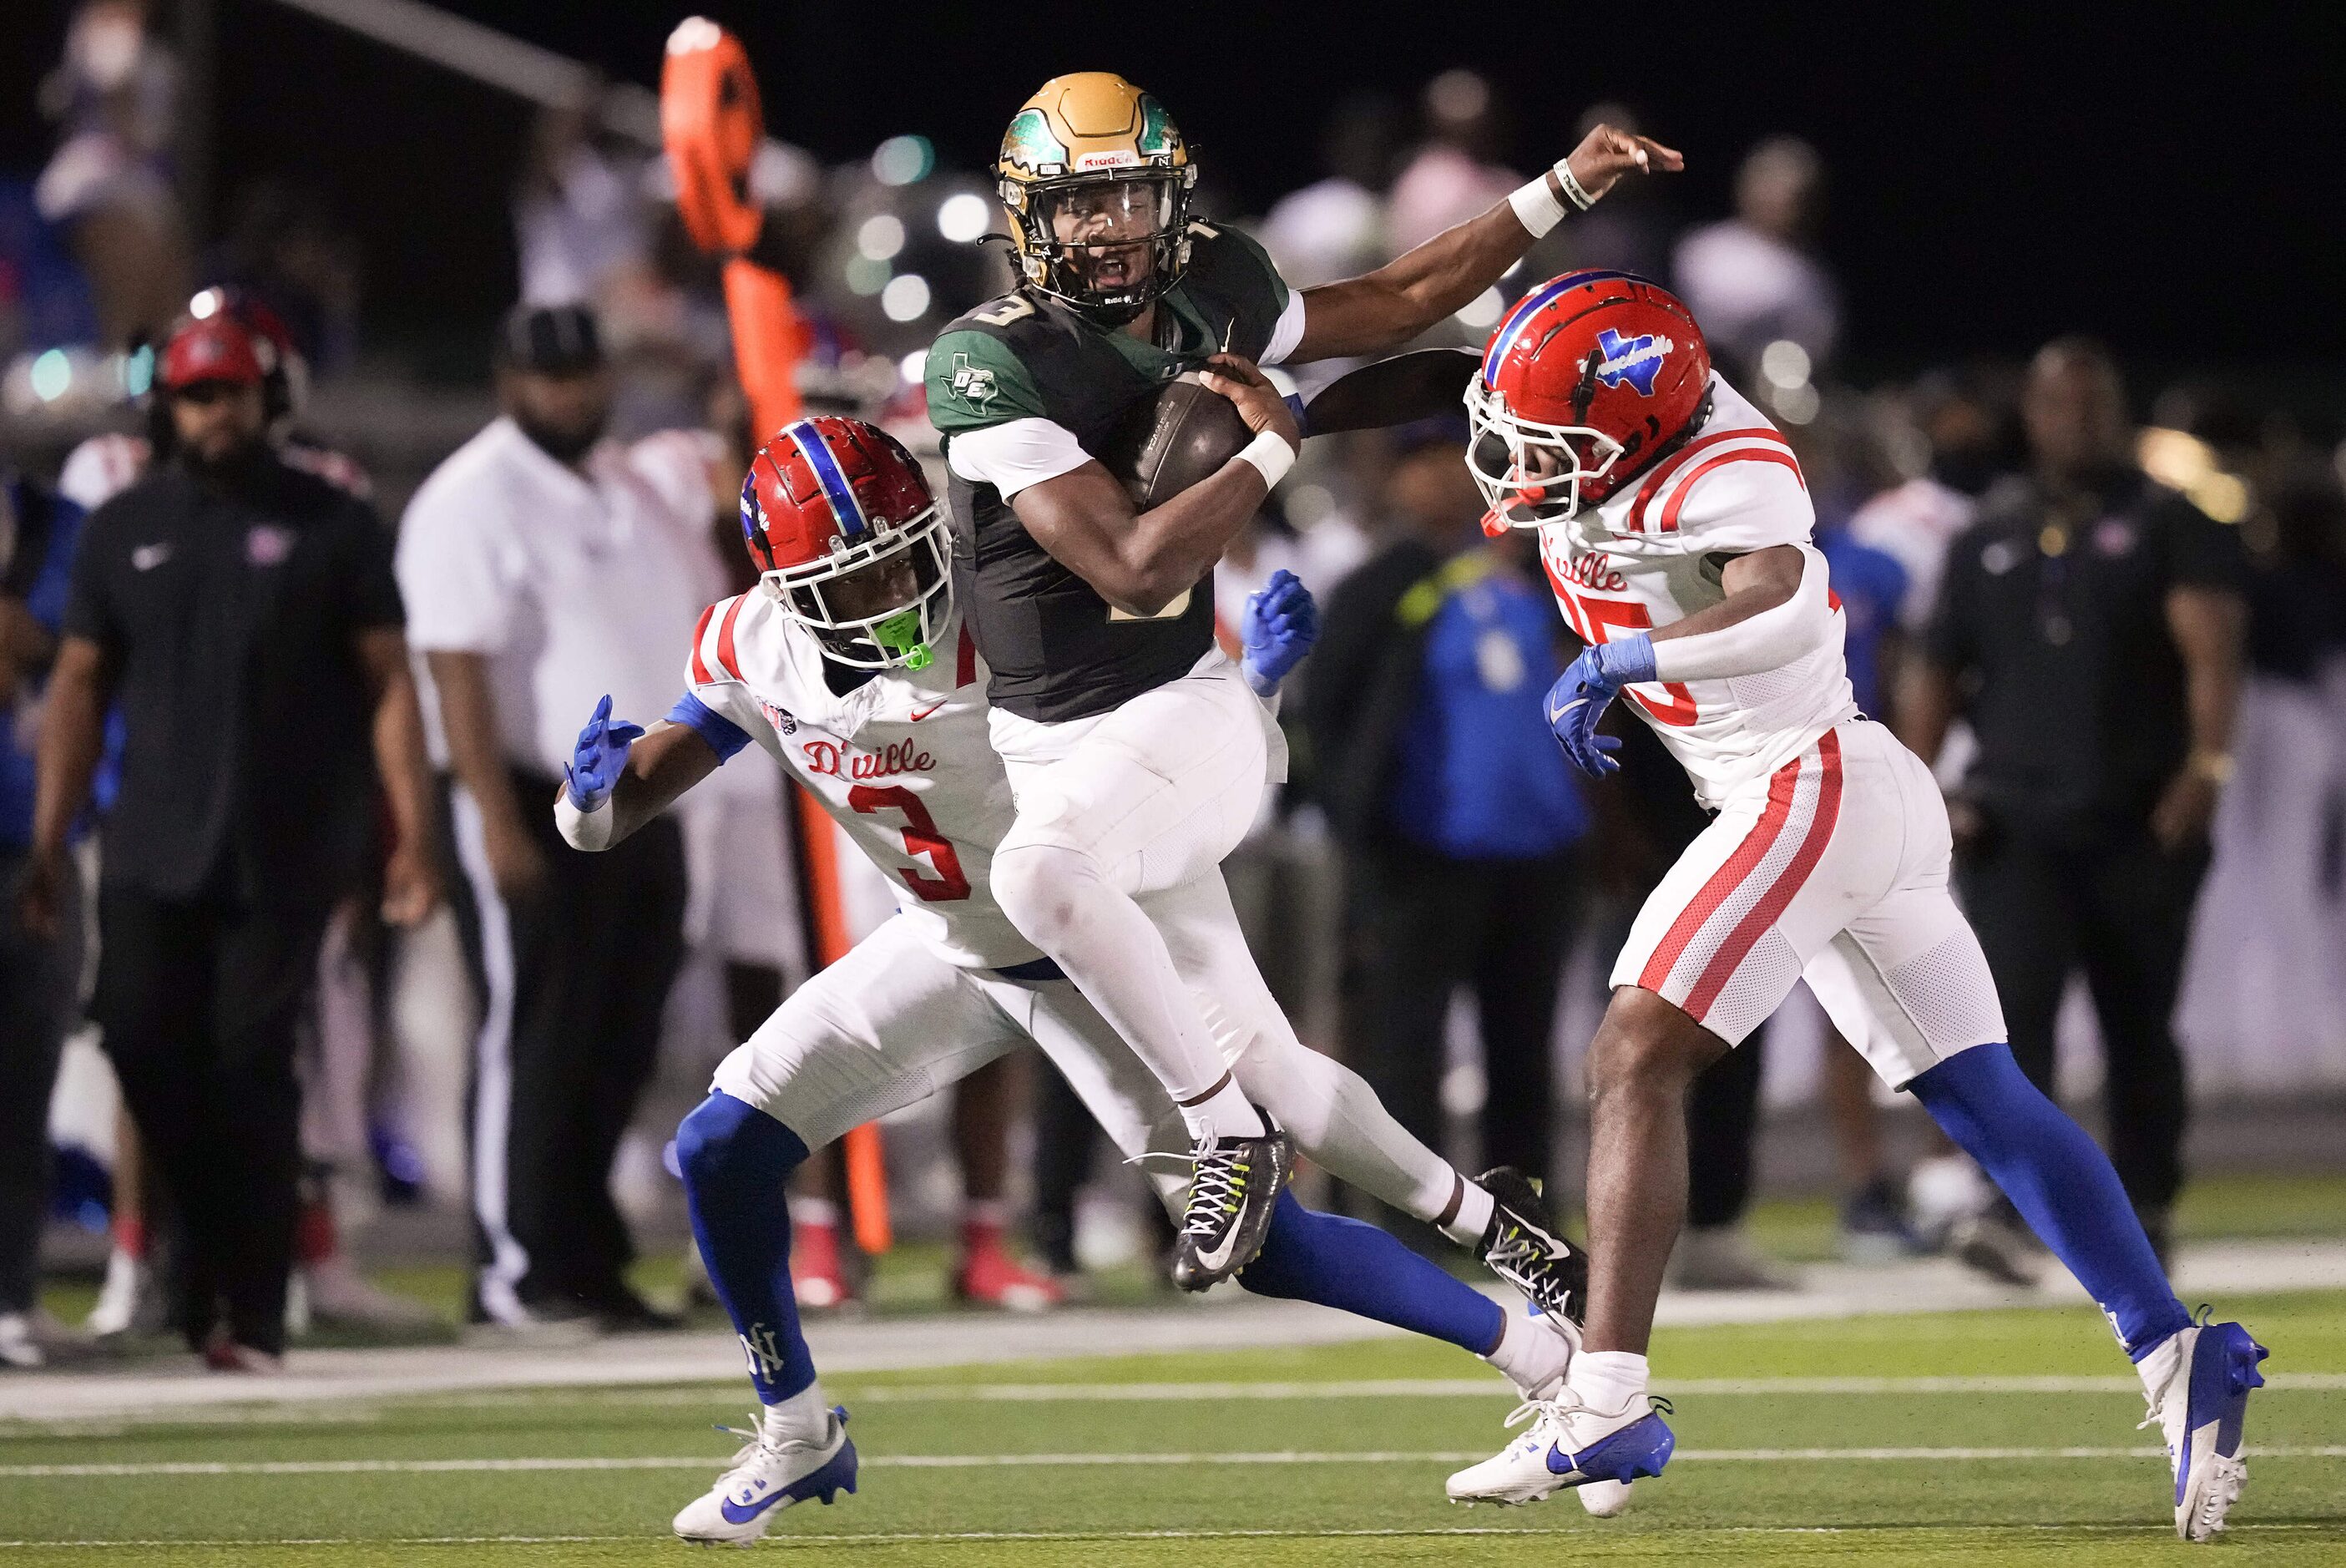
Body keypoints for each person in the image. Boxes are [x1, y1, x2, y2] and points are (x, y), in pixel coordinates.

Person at [549, 418, 1589, 1544]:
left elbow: (1167, 729)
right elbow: (645, 780)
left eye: (901, 553)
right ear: (786, 590)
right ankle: (795, 1425)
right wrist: (589, 804)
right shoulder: (752, 642)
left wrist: (1254, 691)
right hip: (946, 945)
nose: (894, 588)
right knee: (717, 1147)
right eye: (854, 579)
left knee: (1269, 1237)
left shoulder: (1017, 615)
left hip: (1103, 946)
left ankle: (1541, 1355)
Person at [1440, 272, 2266, 1543]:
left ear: (1642, 420)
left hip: (1803, 783)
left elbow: (1771, 602)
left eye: (1554, 440)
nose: (1520, 464)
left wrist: (1628, 655)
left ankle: (1602, 1395)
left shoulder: (1728, 469)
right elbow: (1432, 331)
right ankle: (2175, 1353)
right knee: (1981, 1095)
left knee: (1629, 1052)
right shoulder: (1619, 423)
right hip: (1843, 788)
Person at [925, 71, 1677, 1286]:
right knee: (1271, 1060)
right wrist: (1276, 439)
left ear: (1169, 197)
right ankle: (1507, 1239)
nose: (1107, 226)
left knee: (1036, 873)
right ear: (1028, 218)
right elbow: (1125, 559)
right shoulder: (986, 361)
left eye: (1125, 195)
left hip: (1186, 711)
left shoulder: (1214, 286)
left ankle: (1223, 1139)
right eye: (1078, 203)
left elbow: (1400, 299)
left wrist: (1562, 188)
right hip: (1059, 752)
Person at [21, 307, 437, 1371]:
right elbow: (76, 685)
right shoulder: (122, 526)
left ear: (269, 399)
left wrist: (410, 836)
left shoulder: (329, 521)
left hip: (287, 846)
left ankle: (246, 1310)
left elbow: (390, 683)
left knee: (254, 1067)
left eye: (233, 393)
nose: (216, 414)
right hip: (151, 843)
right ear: (170, 404)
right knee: (141, 1046)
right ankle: (194, 1269)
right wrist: (47, 838)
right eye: (199, 396)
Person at [1898, 338, 2249, 1265]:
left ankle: (2145, 1207)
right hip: (2012, 824)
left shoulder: (2170, 519)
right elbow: (1935, 668)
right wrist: (1916, 790)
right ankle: (2015, 1216)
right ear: (2033, 416)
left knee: (2138, 1023)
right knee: (2003, 1030)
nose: (2077, 421)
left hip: (2137, 817)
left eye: (2093, 403)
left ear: (2118, 410)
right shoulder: (1989, 531)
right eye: (2059, 405)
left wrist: (2204, 769)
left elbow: (2212, 652)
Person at [396, 303, 710, 1330]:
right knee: (532, 1031)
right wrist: (490, 815)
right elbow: (454, 663)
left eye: (582, 374)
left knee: (616, 1032)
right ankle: (515, 1267)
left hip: (638, 793)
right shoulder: (473, 495)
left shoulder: (619, 482)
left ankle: (584, 1257)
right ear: (509, 380)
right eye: (549, 378)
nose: (569, 393)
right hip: (528, 790)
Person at [1308, 422, 1588, 1233]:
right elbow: (1327, 720)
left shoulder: (1540, 575)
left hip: (1540, 855)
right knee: (1407, 1049)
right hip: (1420, 856)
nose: (1438, 478)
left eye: (1450, 462)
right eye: (1418, 462)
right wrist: (1359, 841)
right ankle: (1415, 1222)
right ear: (1393, 480)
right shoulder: (1378, 584)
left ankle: (1526, 1224)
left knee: (1523, 1053)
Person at [0, 466, 92, 1368]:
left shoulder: (61, 527)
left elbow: (95, 670)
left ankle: (10, 1294)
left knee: (25, 1082)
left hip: (33, 840)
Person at [1671, 137, 1838, 381]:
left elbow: (1816, 356)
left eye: (1795, 196)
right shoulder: (1702, 250)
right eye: (1771, 185)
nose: (1779, 201)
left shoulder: (1814, 278)